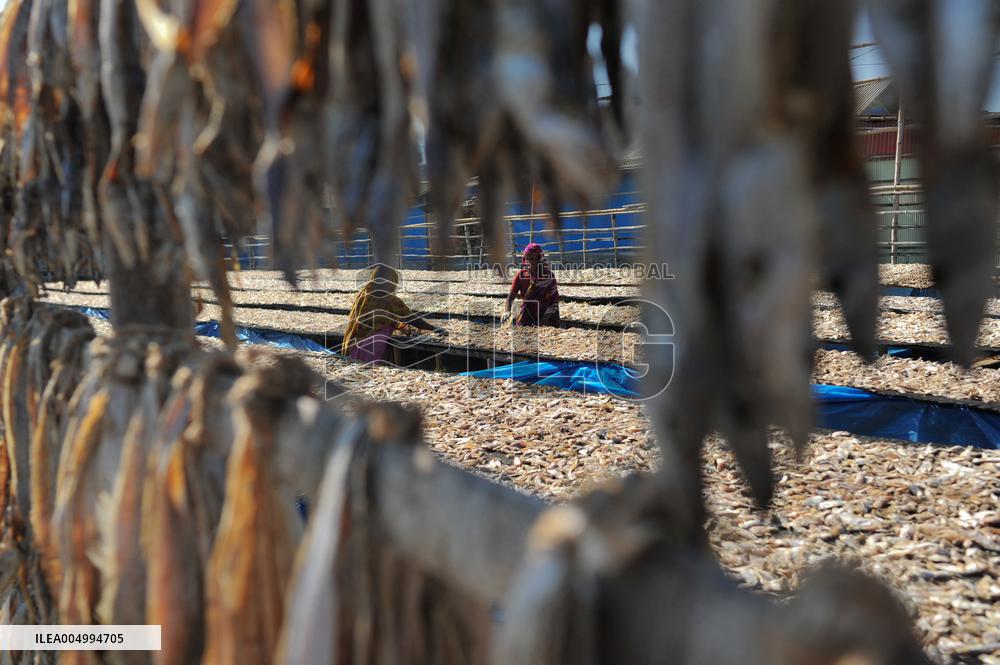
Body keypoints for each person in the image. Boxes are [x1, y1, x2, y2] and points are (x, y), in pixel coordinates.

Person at [342, 265, 445, 362]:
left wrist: (399, 325)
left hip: (352, 342)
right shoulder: (389, 299)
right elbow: (411, 318)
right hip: (371, 345)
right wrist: (434, 328)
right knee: (368, 371)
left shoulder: (364, 293)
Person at [504, 243, 560, 327]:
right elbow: (510, 297)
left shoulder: (549, 276)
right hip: (528, 314)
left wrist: (545, 318)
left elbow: (554, 301)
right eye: (527, 259)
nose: (529, 262)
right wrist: (507, 312)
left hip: (546, 314)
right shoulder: (520, 276)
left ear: (539, 260)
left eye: (532, 259)